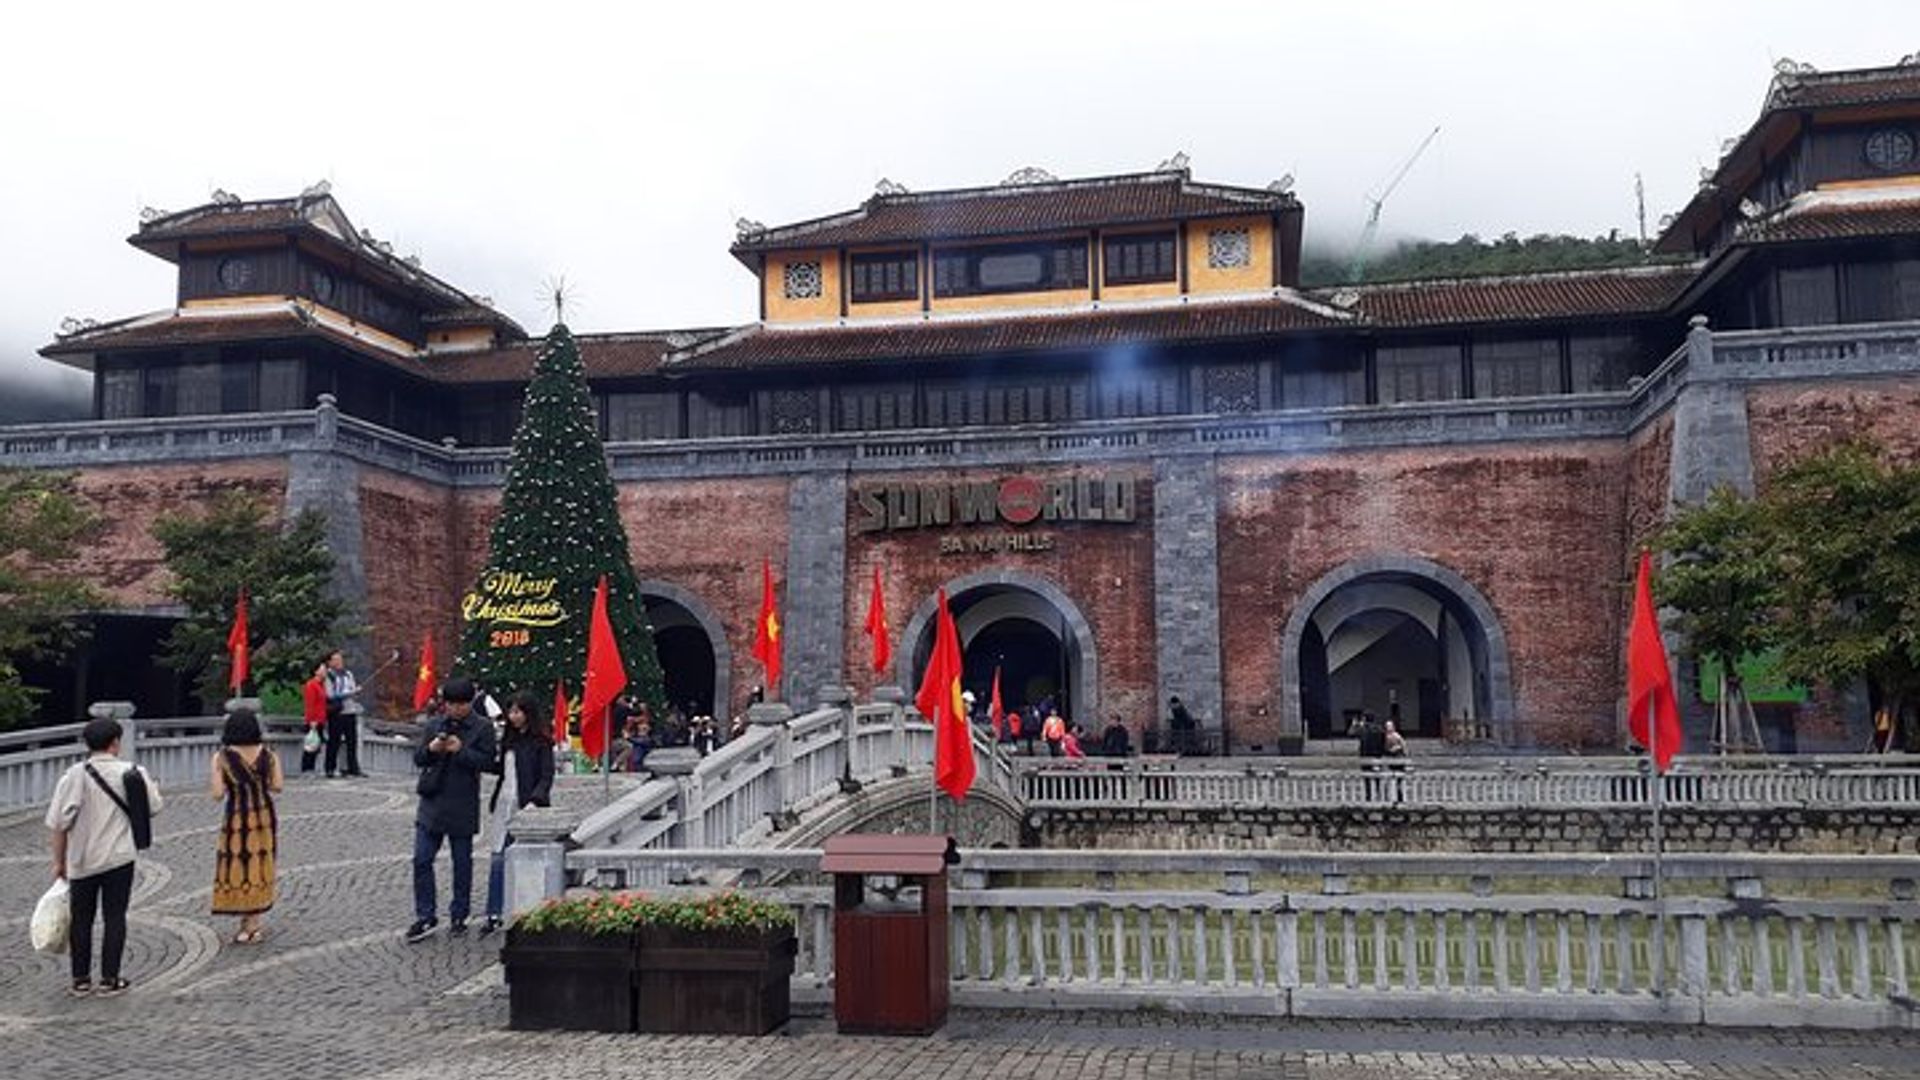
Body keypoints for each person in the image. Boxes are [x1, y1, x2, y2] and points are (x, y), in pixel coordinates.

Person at [46, 717, 165, 997]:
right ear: (115, 743)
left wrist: (58, 861)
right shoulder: (133, 771)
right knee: (115, 916)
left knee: (81, 918)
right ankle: (110, 978)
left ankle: (80, 979)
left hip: (82, 859)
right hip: (119, 857)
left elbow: (58, 824)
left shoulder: (73, 776)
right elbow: (155, 807)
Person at [407, 676, 497, 943]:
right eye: (451, 704)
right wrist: (433, 748)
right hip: (432, 801)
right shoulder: (435, 724)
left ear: (470, 703)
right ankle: (426, 915)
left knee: (462, 863)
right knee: (421, 859)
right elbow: (419, 757)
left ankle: (459, 913)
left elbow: (488, 761)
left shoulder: (482, 728)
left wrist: (461, 751)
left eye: (460, 704)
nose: (455, 709)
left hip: (462, 802)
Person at [480, 692, 555, 936]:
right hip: (505, 803)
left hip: (527, 807)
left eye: (517, 712)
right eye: (511, 711)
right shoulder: (509, 741)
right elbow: (500, 768)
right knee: (498, 858)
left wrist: (536, 799)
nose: (513, 717)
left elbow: (546, 775)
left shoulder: (541, 742)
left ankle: (525, 910)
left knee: (525, 859)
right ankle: (493, 912)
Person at [209, 707, 282, 944]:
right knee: (260, 864)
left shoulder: (222, 757)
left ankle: (246, 922)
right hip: (263, 816)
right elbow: (277, 786)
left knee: (238, 864)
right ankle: (254, 923)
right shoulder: (269, 755)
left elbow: (217, 794)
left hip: (236, 818)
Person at [323, 649, 365, 778]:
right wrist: (349, 693)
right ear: (330, 662)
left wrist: (355, 692)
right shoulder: (328, 676)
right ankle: (330, 768)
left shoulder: (348, 674)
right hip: (337, 712)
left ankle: (353, 767)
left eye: (340, 659)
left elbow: (352, 689)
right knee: (334, 741)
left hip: (350, 711)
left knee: (352, 741)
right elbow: (330, 695)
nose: (339, 662)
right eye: (335, 660)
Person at [299, 661, 327, 774]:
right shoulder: (311, 685)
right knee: (310, 745)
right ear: (316, 671)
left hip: (320, 719)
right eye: (322, 669)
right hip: (313, 720)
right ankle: (306, 768)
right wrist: (312, 720)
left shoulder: (322, 685)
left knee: (316, 745)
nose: (325, 671)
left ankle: (312, 768)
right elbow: (309, 704)